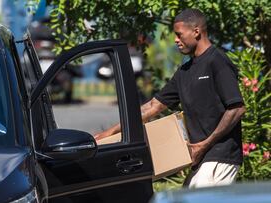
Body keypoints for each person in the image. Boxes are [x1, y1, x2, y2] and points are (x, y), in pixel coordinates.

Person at [94, 8, 246, 188]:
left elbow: (236, 109)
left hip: (220, 156)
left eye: (179, 34)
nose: (175, 40)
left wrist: (204, 145)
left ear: (196, 31)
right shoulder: (184, 72)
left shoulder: (217, 61)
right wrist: (109, 133)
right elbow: (152, 106)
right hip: (200, 157)